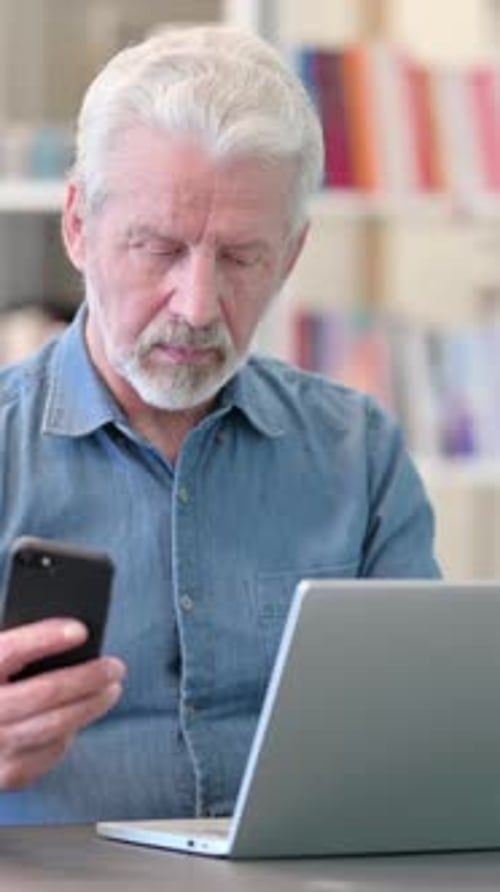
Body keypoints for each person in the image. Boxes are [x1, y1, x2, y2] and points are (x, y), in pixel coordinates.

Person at [0, 24, 440, 825]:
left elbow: (428, 742)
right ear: (77, 227)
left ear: (293, 254)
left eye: (240, 258)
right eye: (158, 248)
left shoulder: (358, 454)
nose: (198, 307)